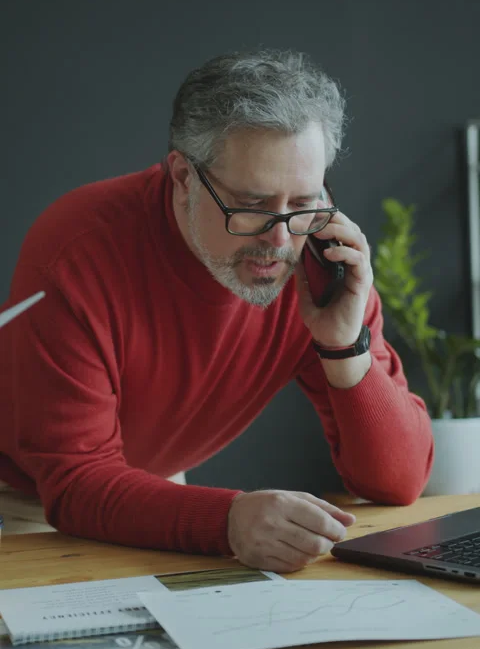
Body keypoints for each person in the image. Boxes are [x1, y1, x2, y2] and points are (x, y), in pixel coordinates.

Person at [0, 48, 433, 572]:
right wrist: (226, 520)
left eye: (302, 201)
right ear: (183, 177)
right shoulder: (76, 252)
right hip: (24, 498)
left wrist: (346, 346)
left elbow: (400, 482)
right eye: (250, 205)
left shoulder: (319, 258)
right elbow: (74, 483)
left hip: (147, 486)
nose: (279, 240)